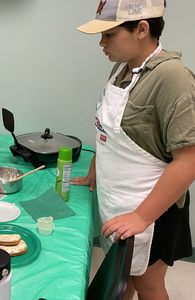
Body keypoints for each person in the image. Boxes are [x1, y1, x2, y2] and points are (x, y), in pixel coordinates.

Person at [73, 1, 194, 299]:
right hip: (119, 202)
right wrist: (95, 169)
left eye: (109, 35)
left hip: (152, 210)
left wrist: (141, 216)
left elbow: (188, 161)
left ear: (141, 29)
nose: (101, 43)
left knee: (148, 285)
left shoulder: (173, 79)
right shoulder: (122, 70)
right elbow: (114, 133)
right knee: (121, 277)